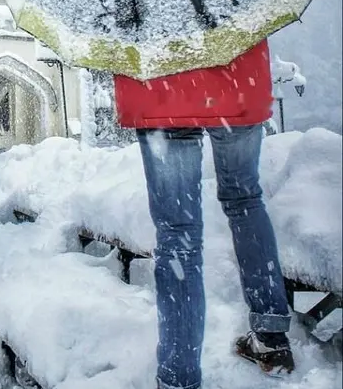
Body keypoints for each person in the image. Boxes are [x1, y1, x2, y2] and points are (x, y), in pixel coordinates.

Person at [114, 39, 294, 387]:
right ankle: (271, 336)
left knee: (177, 234)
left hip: (161, 87)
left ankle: (179, 378)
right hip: (238, 79)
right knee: (245, 200)